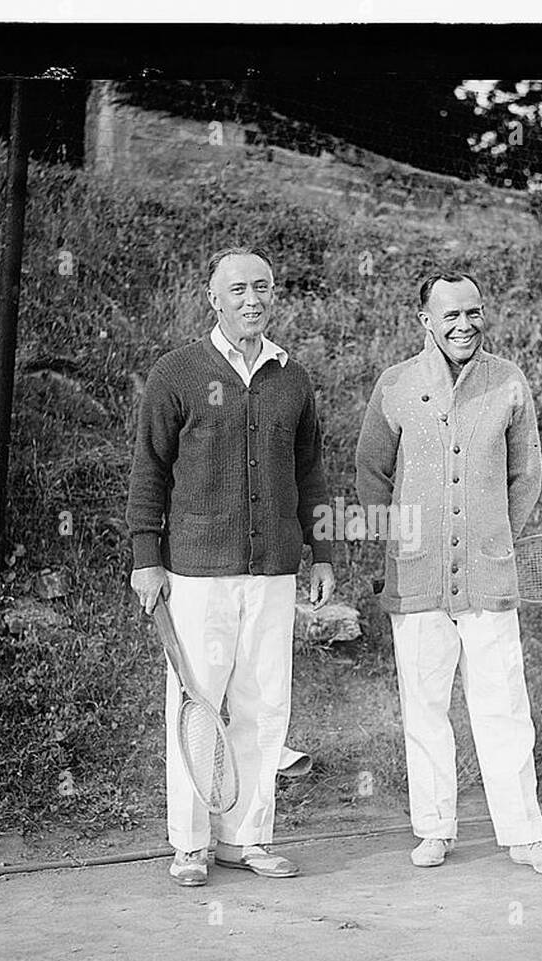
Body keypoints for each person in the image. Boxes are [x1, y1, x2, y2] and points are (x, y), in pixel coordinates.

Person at [128, 246, 335, 887]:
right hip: (195, 574)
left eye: (263, 288)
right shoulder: (178, 372)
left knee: (264, 706)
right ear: (212, 297)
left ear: (274, 297)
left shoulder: (292, 378)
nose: (253, 299)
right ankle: (190, 845)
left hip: (272, 572)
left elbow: (310, 473)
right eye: (238, 288)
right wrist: (145, 558)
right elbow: (149, 471)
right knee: (196, 705)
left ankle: (246, 840)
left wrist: (322, 552)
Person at [354, 270, 542, 876]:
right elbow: (372, 471)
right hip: (416, 578)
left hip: (488, 578)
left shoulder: (509, 383)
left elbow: (526, 475)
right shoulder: (395, 386)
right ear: (425, 320)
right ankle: (434, 829)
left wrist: (495, 536)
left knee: (503, 706)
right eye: (449, 315)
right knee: (424, 707)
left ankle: (525, 835)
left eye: (473, 313)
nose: (464, 325)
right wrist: (395, 537)